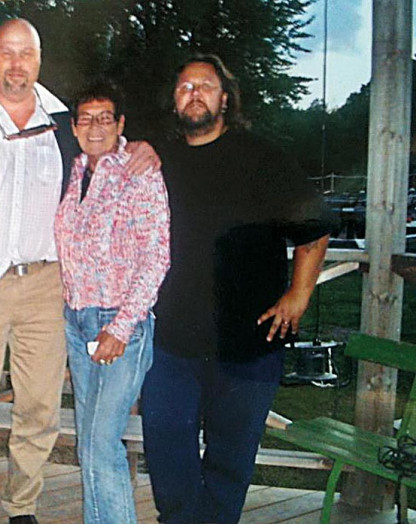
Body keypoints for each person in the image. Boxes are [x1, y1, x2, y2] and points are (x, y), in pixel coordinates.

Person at [0, 18, 159, 524]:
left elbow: (109, 144)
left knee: (39, 412)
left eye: (26, 53)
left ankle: (21, 507)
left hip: (47, 287)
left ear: (38, 60)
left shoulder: (65, 120)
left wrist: (149, 148)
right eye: (7, 52)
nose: (16, 63)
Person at [141, 54, 335, 524]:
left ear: (225, 98)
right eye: (185, 87)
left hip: (249, 344)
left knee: (230, 465)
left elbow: (315, 229)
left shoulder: (262, 158)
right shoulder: (159, 159)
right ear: (174, 99)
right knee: (167, 451)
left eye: (205, 86)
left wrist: (299, 294)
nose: (194, 94)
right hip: (173, 344)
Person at [54, 82, 170, 524]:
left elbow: (157, 256)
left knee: (100, 444)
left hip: (121, 323)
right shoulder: (75, 169)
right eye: (87, 118)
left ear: (121, 125)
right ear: (74, 126)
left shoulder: (139, 172)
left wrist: (121, 328)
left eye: (106, 117)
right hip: (78, 321)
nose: (96, 126)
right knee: (90, 441)